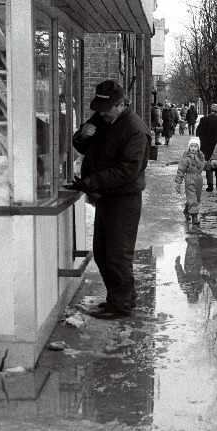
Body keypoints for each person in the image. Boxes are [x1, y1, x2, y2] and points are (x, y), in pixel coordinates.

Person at [69, 80, 150, 319]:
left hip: (123, 199)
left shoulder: (135, 129)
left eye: (107, 109)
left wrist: (94, 181)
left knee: (117, 254)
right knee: (103, 251)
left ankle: (121, 306)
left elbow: (129, 170)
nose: (102, 113)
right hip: (105, 196)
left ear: (121, 104)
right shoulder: (101, 118)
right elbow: (84, 147)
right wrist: (82, 135)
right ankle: (123, 297)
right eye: (99, 109)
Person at [196, 103, 217, 192]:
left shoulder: (204, 120)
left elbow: (198, 133)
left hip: (206, 147)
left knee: (208, 166)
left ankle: (210, 185)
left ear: (212, 111)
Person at [175, 136, 206, 225]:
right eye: (191, 146)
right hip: (189, 179)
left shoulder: (201, 157)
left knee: (197, 198)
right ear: (189, 147)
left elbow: (204, 165)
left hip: (199, 179)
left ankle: (187, 210)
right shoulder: (186, 159)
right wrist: (178, 182)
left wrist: (211, 165)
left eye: (195, 146)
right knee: (192, 198)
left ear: (198, 148)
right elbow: (181, 170)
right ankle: (194, 217)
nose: (193, 148)